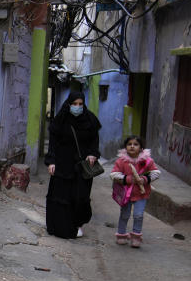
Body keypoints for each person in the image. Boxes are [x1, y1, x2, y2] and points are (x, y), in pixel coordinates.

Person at [45, 90, 102, 239]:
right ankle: (59, 227)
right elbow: (53, 143)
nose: (77, 107)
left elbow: (94, 141)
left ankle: (77, 224)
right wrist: (51, 161)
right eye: (74, 104)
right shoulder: (60, 120)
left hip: (82, 167)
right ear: (68, 104)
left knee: (79, 198)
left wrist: (93, 154)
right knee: (61, 196)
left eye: (80, 104)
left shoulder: (90, 120)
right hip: (63, 165)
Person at [110, 135, 160, 248]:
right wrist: (127, 179)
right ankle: (121, 235)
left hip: (141, 194)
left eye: (136, 144)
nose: (132, 146)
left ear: (141, 148)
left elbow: (156, 173)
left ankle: (136, 237)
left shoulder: (147, 161)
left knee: (138, 215)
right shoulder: (121, 161)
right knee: (124, 214)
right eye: (129, 144)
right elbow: (113, 174)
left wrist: (144, 179)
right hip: (126, 194)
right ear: (125, 147)